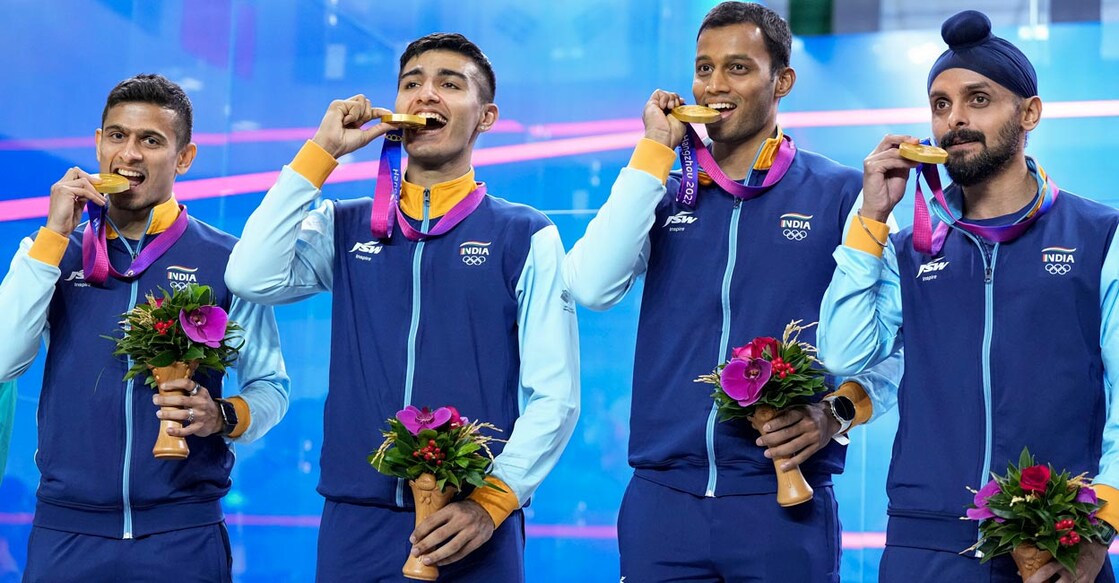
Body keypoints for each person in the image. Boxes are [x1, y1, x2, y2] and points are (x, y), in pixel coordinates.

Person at [562, 2, 901, 581]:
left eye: (738, 68)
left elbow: (898, 348)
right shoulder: (664, 190)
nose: (715, 85)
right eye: (703, 68)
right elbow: (590, 286)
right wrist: (653, 153)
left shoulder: (845, 195)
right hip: (661, 502)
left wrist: (837, 411)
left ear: (783, 81)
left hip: (783, 499)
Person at [225, 33, 580, 581]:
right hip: (355, 523)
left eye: (449, 83)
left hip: (471, 523)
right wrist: (320, 154)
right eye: (412, 83)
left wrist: (493, 501)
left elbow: (554, 395)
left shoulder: (524, 235)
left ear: (485, 117)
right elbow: (249, 275)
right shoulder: (344, 225)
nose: (425, 95)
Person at [818, 10, 1119, 583]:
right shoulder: (904, 245)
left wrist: (1097, 527)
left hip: (1052, 544)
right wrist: (870, 217)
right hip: (923, 542)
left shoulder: (1101, 236)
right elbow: (842, 354)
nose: (954, 119)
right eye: (940, 104)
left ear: (1029, 112)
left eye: (978, 99)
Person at [0, 74, 291, 582]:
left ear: (185, 158)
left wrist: (224, 414)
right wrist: (52, 237)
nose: (128, 155)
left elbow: (272, 386)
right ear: (97, 143)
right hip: (68, 534)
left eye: (150, 141)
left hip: (183, 535)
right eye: (117, 136)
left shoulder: (227, 261)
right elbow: (5, 359)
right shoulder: (51, 252)